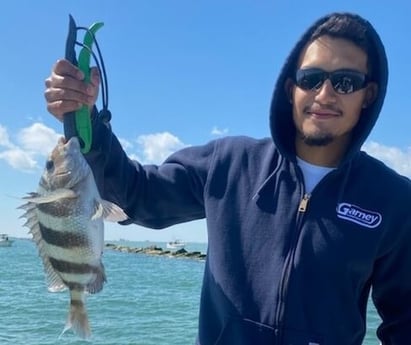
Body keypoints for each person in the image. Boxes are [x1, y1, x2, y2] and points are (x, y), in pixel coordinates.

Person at [44, 12, 411, 345]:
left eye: (346, 82)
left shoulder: (393, 200)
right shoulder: (229, 164)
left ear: (369, 95)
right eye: (311, 78)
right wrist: (88, 123)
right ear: (290, 88)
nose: (325, 94)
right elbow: (137, 195)